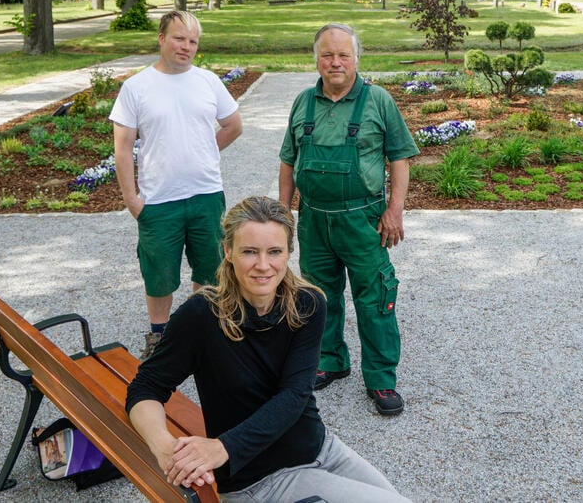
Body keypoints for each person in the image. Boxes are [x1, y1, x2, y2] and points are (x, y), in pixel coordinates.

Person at [126, 196, 410, 502]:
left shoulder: (308, 304)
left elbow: (295, 395)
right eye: (249, 251)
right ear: (228, 251)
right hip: (259, 480)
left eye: (274, 251)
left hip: (321, 449)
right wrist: (165, 449)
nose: (263, 265)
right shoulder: (201, 316)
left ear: (288, 252)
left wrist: (223, 447)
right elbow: (145, 388)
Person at [279, 23, 419, 416]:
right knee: (318, 296)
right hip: (314, 221)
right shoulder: (303, 103)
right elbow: (288, 161)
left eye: (343, 54)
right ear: (316, 59)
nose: (335, 62)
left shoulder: (378, 101)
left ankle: (381, 377)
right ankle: (331, 359)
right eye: (327, 55)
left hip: (364, 221)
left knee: (374, 297)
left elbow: (400, 159)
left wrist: (394, 210)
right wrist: (283, 213)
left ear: (357, 57)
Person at [110, 10, 243, 360]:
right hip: (158, 200)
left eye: (193, 41)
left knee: (211, 268)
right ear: (161, 38)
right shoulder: (136, 87)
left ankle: (204, 328)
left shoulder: (207, 81)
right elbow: (123, 148)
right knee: (159, 273)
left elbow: (233, 125)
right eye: (179, 38)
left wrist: (202, 150)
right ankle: (159, 334)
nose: (186, 47)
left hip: (206, 195)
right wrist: (131, 199)